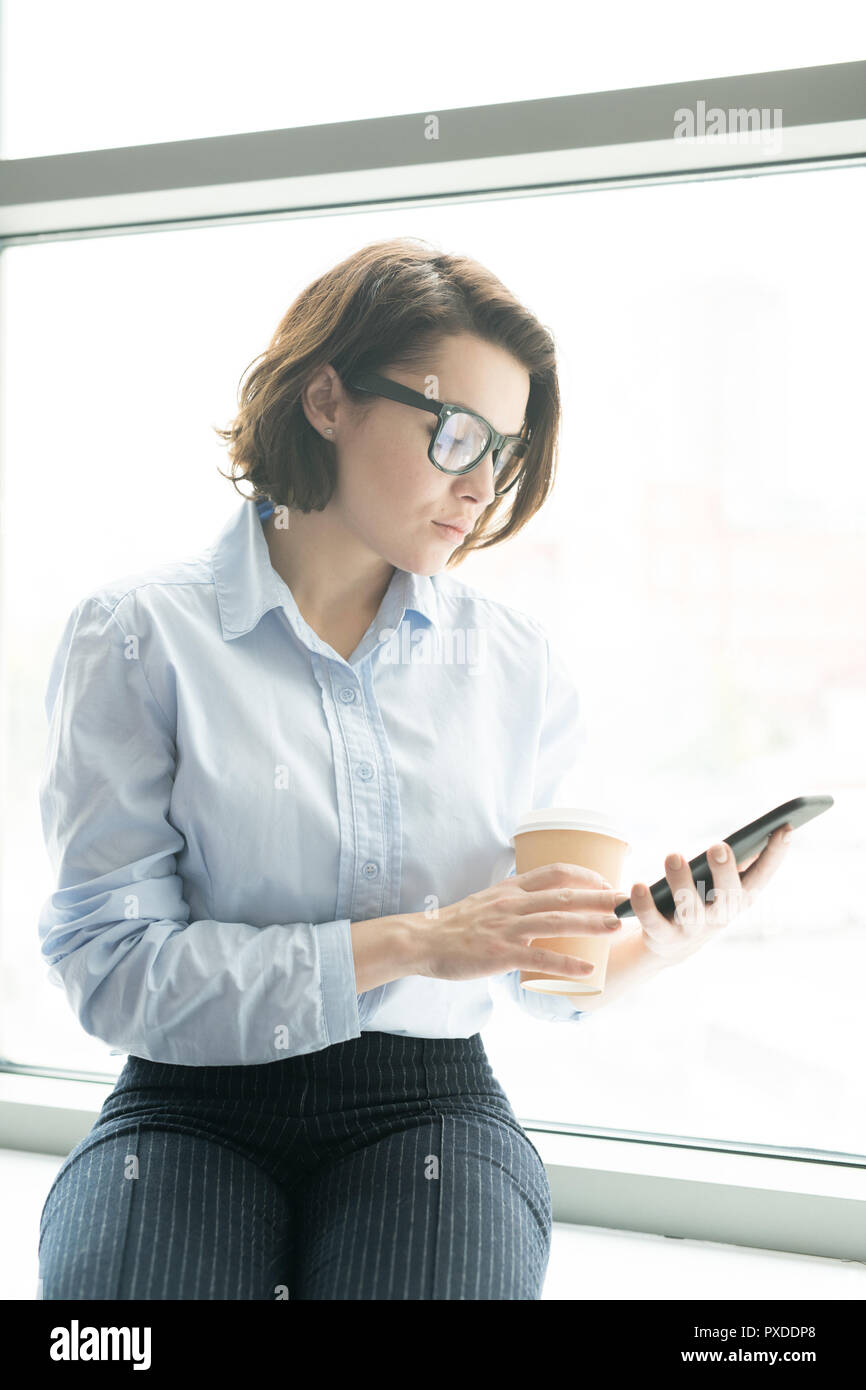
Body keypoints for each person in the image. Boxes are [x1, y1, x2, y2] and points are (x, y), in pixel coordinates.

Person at [35, 236, 791, 1301]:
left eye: (508, 452)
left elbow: (543, 981)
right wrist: (419, 941)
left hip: (427, 1105)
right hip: (188, 1103)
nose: (482, 486)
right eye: (455, 435)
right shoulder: (137, 636)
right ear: (326, 399)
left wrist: (655, 944)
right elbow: (112, 968)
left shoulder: (515, 665)